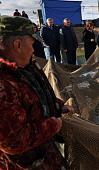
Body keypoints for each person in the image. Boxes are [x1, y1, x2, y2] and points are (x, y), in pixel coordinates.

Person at [0, 16, 74, 169]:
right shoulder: (4, 85)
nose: (34, 50)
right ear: (18, 45)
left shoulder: (24, 66)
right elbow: (14, 141)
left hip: (46, 156)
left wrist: (58, 106)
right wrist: (54, 125)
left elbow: (38, 96)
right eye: (32, 44)